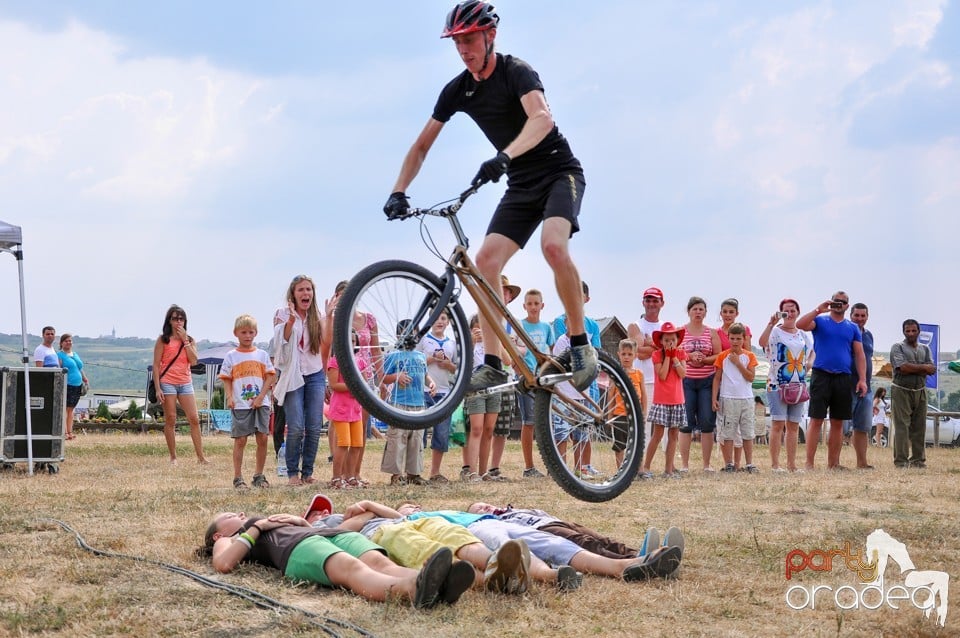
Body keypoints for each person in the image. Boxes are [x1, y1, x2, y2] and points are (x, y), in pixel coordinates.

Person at [383, 1, 598, 396]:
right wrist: (399, 190)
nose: (463, 49)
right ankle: (495, 364)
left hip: (558, 173)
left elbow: (542, 118)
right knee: (485, 263)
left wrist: (505, 155)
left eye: (469, 40)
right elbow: (421, 146)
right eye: (457, 42)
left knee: (552, 246)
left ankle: (582, 344)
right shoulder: (458, 89)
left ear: (490, 36)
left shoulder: (516, 71)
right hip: (519, 184)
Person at [199, 511, 468, 609]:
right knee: (352, 570)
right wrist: (257, 527)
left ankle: (434, 583)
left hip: (322, 533)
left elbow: (301, 527)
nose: (240, 512)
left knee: (382, 564)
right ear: (218, 534)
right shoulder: (229, 539)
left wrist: (299, 521)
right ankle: (413, 590)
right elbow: (223, 564)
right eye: (230, 514)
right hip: (295, 549)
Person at [308, 497, 579, 593]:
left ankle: (549, 575)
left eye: (324, 509)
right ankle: (494, 581)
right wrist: (367, 512)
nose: (321, 513)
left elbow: (401, 516)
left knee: (461, 541)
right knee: (436, 555)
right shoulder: (321, 529)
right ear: (307, 519)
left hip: (408, 522)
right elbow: (342, 532)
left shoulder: (363, 511)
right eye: (315, 512)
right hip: (384, 534)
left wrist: (369, 506)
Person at [404, 504, 681, 582]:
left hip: (500, 522)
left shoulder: (468, 510)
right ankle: (550, 576)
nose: (411, 507)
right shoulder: (413, 519)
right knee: (510, 550)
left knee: (558, 546)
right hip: (478, 530)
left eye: (412, 505)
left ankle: (622, 565)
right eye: (407, 507)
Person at [467, 502, 684, 569]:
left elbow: (539, 512)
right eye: (478, 509)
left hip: (554, 520)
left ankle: (639, 552)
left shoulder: (512, 509)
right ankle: (632, 562)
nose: (484, 507)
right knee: (586, 543)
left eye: (483, 503)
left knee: (601, 538)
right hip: (544, 530)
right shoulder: (496, 523)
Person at [796, 292, 867, 470]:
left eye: (843, 302)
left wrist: (863, 380)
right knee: (816, 419)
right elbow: (801, 324)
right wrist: (818, 309)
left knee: (838, 422)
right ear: (831, 301)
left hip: (843, 377)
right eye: (836, 301)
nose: (839, 304)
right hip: (821, 375)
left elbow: (859, 354)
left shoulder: (852, 328)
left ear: (847, 306)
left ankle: (833, 463)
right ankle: (809, 464)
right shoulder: (820, 321)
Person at [272, 275, 330, 486]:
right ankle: (292, 473)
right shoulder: (282, 314)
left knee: (314, 426)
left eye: (309, 290)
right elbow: (282, 343)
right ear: (293, 294)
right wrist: (291, 321)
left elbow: (326, 345)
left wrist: (330, 318)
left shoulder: (319, 315)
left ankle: (308, 472)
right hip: (292, 374)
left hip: (315, 373)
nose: (306, 294)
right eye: (301, 290)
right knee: (295, 426)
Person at [219, 315, 276, 490]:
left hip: (261, 403)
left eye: (251, 332)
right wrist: (229, 396)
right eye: (244, 332)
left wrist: (261, 397)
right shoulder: (231, 356)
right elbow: (227, 378)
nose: (247, 336)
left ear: (256, 333)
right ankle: (237, 477)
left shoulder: (262, 355)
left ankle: (258, 475)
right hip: (241, 403)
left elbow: (270, 377)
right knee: (241, 439)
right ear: (236, 333)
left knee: (263, 437)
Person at [759, 298, 813, 473]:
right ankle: (775, 465)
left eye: (793, 310)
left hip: (798, 384)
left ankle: (792, 465)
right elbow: (762, 342)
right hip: (777, 383)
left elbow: (812, 352)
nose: (790, 314)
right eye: (786, 311)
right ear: (781, 313)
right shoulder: (775, 332)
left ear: (798, 312)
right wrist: (770, 323)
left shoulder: (803, 335)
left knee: (794, 425)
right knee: (778, 423)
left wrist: (809, 363)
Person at [153, 305, 208, 465]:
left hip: (185, 382)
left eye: (181, 318)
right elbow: (156, 365)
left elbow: (194, 360)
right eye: (175, 318)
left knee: (194, 419)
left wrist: (185, 340)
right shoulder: (163, 340)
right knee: (171, 418)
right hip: (168, 382)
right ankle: (173, 457)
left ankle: (200, 457)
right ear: (169, 321)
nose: (178, 321)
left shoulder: (190, 340)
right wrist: (158, 388)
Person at [381, 320, 434, 485]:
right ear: (398, 335)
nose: (409, 335)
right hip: (400, 403)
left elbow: (425, 375)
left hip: (418, 404)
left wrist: (431, 383)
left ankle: (414, 473)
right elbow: (382, 378)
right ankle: (396, 475)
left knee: (417, 439)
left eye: (413, 331)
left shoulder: (420, 356)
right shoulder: (393, 356)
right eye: (405, 332)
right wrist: (397, 377)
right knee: (398, 438)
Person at [511, 286, 554, 478]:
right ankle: (529, 466)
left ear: (542, 305)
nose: (533, 307)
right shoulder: (519, 326)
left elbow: (551, 351)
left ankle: (551, 464)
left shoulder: (547, 327)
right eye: (530, 304)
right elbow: (514, 350)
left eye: (536, 303)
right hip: (526, 378)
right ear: (524, 306)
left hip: (543, 378)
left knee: (544, 422)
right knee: (528, 422)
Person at [678, 297, 721, 473]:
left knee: (707, 422)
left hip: (707, 382)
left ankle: (706, 465)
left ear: (705, 312)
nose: (698, 312)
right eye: (694, 309)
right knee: (686, 423)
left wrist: (704, 359)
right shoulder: (680, 331)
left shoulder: (711, 333)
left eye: (701, 309)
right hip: (686, 380)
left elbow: (719, 356)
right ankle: (684, 465)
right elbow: (675, 352)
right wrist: (689, 357)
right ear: (688, 311)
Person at [639, 323, 687, 479]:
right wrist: (667, 357)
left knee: (673, 435)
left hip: (677, 399)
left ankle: (669, 470)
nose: (669, 343)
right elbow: (662, 375)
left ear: (677, 340)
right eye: (666, 340)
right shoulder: (657, 355)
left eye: (672, 339)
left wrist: (675, 358)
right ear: (661, 341)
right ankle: (646, 467)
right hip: (661, 400)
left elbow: (682, 374)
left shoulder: (681, 354)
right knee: (657, 434)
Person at [416, 309, 458, 484]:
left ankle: (435, 472)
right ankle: (416, 471)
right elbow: (416, 361)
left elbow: (457, 368)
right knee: (420, 434)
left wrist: (447, 364)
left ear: (448, 322)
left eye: (443, 318)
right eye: (436, 318)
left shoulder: (452, 344)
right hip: (424, 392)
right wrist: (433, 358)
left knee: (441, 434)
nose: (439, 321)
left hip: (445, 392)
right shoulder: (423, 340)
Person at [712, 324, 759, 473]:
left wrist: (738, 363)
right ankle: (729, 464)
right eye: (732, 338)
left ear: (744, 339)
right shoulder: (722, 356)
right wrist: (715, 398)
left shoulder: (749, 356)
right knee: (728, 432)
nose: (735, 342)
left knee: (747, 431)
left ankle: (749, 463)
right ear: (728, 338)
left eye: (738, 339)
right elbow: (717, 378)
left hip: (746, 398)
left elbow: (751, 377)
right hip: (728, 398)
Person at [460, 313, 501, 482]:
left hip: (494, 386)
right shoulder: (468, 345)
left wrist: (497, 341)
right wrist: (472, 342)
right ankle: (472, 471)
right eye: (477, 328)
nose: (481, 332)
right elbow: (462, 364)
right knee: (476, 428)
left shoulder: (493, 343)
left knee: (489, 430)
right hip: (475, 387)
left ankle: (484, 471)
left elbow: (506, 360)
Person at [890, 319, 936, 468]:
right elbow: (902, 368)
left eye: (913, 330)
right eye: (907, 331)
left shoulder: (925, 349)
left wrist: (913, 367)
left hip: (920, 391)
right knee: (902, 426)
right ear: (903, 332)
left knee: (919, 426)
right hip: (901, 390)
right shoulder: (898, 347)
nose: (910, 333)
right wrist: (923, 368)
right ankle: (901, 462)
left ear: (918, 331)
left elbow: (932, 369)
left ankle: (918, 460)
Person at [326, 330, 366, 489]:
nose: (350, 344)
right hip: (341, 409)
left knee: (357, 444)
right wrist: (354, 386)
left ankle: (350, 477)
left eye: (354, 341)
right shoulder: (335, 362)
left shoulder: (360, 362)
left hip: (355, 409)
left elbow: (364, 382)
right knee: (343, 444)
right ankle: (336, 477)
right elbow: (334, 385)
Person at [628, 286, 665, 452]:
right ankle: (639, 461)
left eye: (655, 300)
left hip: (662, 380)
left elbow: (671, 351)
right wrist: (660, 347)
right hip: (643, 380)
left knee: (664, 423)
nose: (651, 304)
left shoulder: (666, 326)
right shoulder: (635, 325)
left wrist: (650, 343)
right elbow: (639, 353)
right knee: (642, 422)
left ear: (661, 303)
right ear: (643, 302)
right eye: (648, 300)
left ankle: (667, 463)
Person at [843, 303, 875, 469]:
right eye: (857, 315)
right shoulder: (846, 332)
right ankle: (834, 462)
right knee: (840, 427)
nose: (860, 319)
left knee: (862, 427)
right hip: (848, 386)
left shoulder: (869, 335)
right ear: (851, 315)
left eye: (863, 316)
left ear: (867, 317)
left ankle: (862, 463)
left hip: (866, 388)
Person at [615, 339, 648, 468]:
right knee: (619, 444)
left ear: (635, 355)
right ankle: (621, 470)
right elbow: (611, 393)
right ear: (619, 354)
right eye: (623, 354)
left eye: (629, 354)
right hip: (619, 414)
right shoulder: (617, 373)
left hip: (635, 414)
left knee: (637, 443)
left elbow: (643, 395)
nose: (626, 357)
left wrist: (644, 412)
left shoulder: (639, 374)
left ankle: (639, 469)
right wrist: (610, 415)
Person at [56, 333, 88, 441]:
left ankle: (70, 431)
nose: (68, 343)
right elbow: (59, 369)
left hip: (77, 385)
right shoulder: (60, 355)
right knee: (65, 409)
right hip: (67, 384)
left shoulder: (75, 354)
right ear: (61, 343)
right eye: (66, 341)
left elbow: (79, 367)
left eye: (70, 341)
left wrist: (84, 378)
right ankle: (64, 432)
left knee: (71, 409)